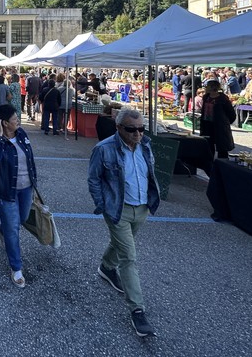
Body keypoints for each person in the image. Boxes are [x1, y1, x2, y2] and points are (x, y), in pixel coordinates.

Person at [88, 107, 160, 337]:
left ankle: (106, 267)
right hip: (118, 210)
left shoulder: (146, 145)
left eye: (141, 129)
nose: (138, 134)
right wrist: (103, 205)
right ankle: (137, 309)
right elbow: (94, 179)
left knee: (121, 245)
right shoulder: (104, 149)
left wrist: (151, 200)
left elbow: (150, 173)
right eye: (132, 129)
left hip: (142, 208)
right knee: (129, 256)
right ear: (119, 128)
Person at [0, 104, 37, 289]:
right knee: (13, 228)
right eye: (15, 119)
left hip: (25, 188)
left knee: (21, 219)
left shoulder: (22, 134)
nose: (18, 121)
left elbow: (29, 158)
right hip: (4, 189)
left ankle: (2, 229)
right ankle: (16, 267)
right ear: (5, 123)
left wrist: (34, 182)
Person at [199, 81, 236, 159]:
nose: (205, 88)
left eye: (207, 86)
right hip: (207, 125)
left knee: (222, 146)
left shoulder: (223, 98)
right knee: (208, 145)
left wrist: (225, 122)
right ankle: (210, 163)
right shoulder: (206, 97)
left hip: (220, 125)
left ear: (213, 87)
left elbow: (231, 113)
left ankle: (222, 164)